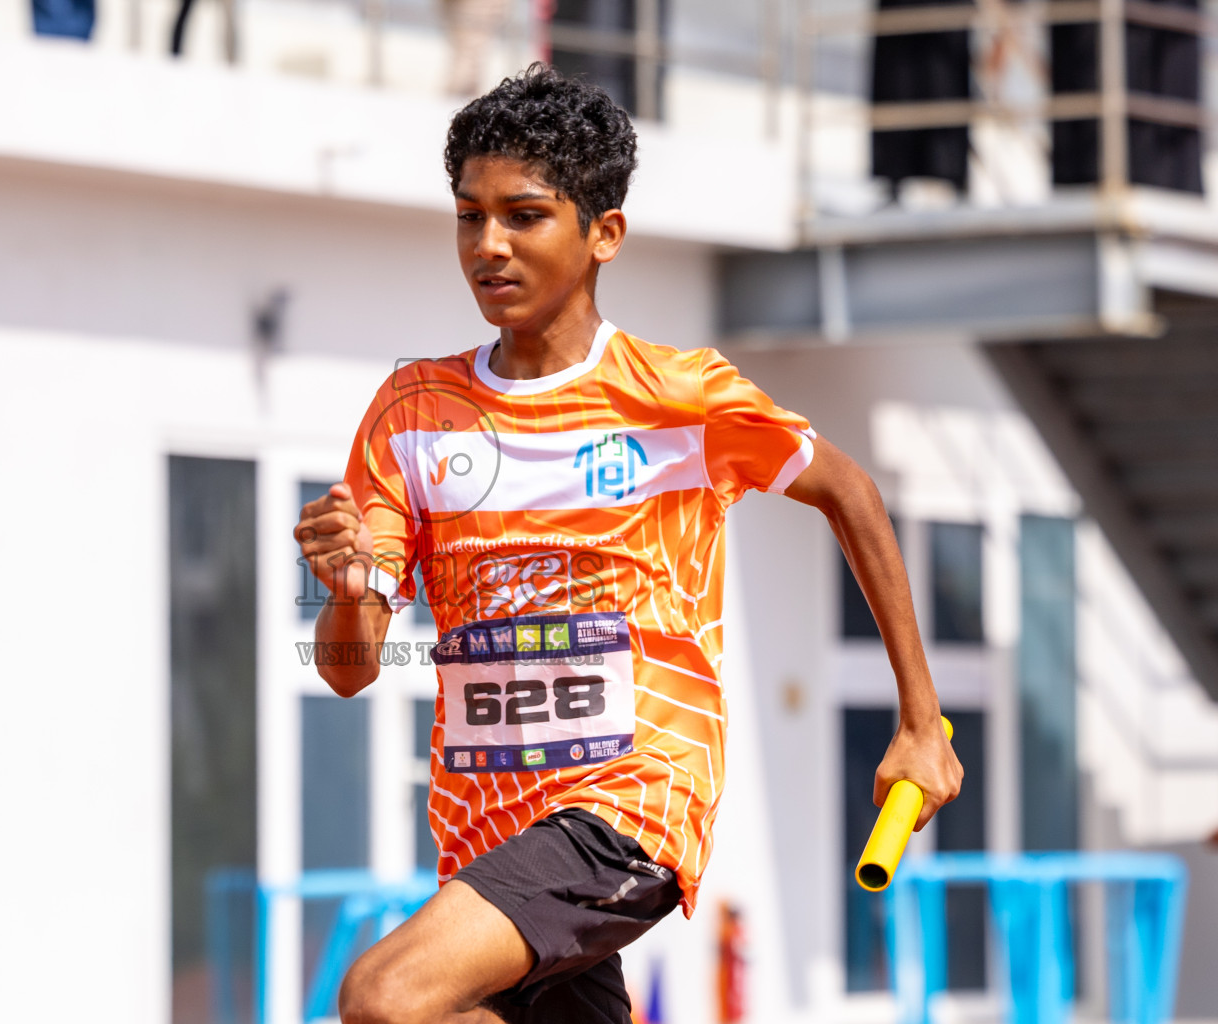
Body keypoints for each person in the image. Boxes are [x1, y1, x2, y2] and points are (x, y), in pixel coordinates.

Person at [292, 64, 963, 1024]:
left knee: (386, 997)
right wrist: (351, 584)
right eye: (468, 215)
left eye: (524, 216)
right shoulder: (414, 410)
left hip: (633, 800)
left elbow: (850, 492)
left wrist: (916, 722)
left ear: (604, 233)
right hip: (486, 831)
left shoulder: (678, 396)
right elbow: (351, 671)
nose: (489, 245)